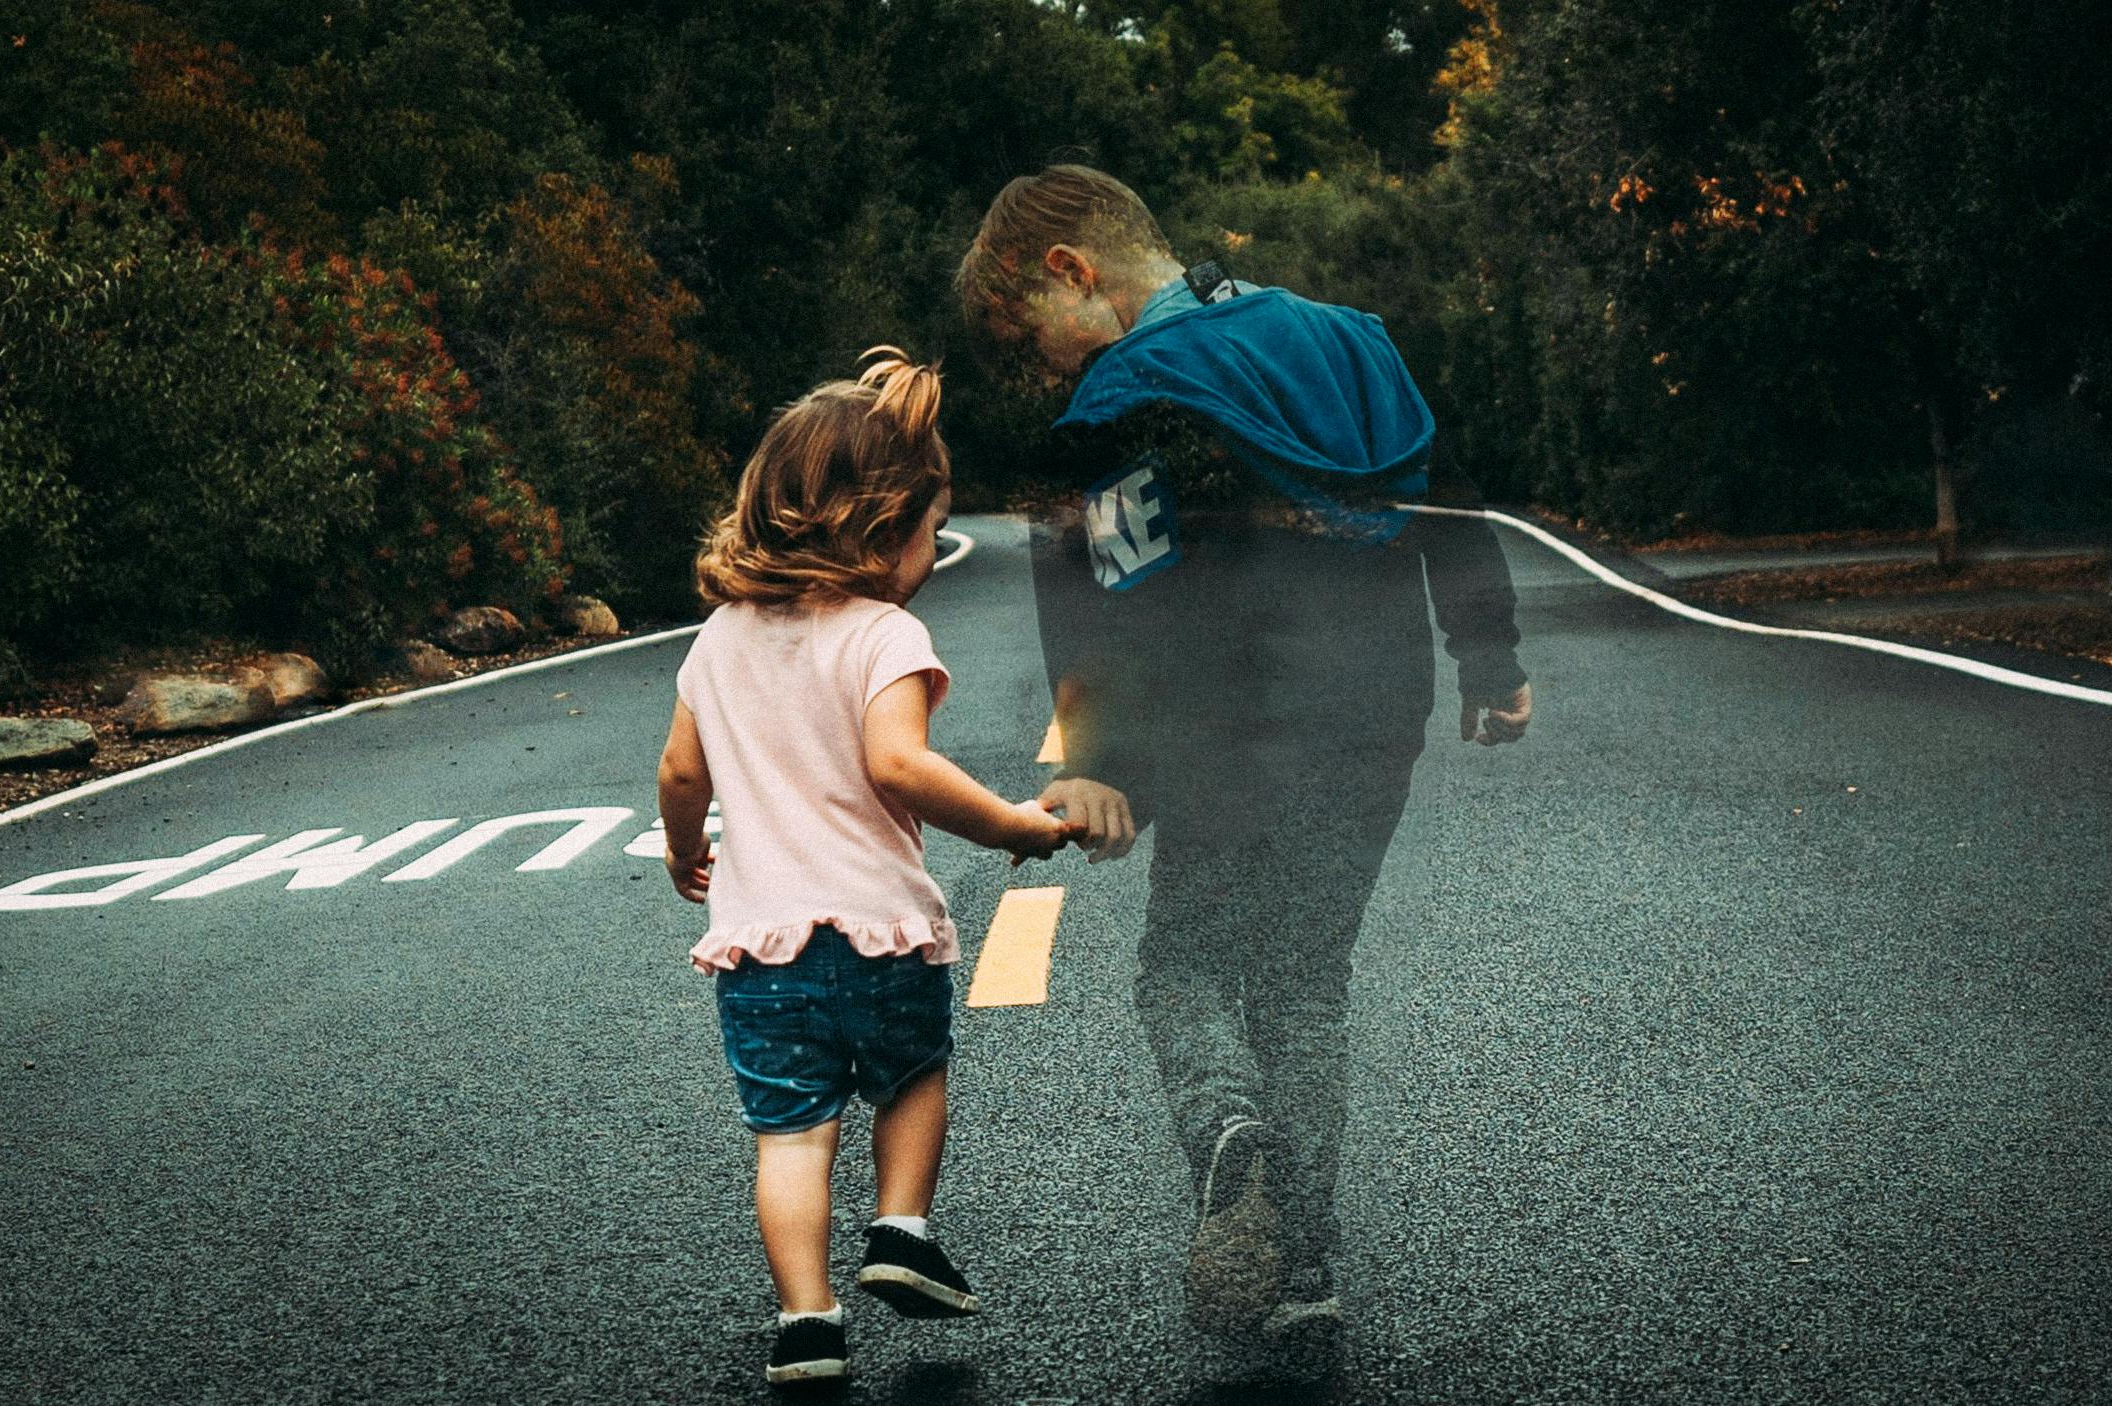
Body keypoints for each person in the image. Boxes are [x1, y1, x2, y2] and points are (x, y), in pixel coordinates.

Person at [956, 166, 1533, 1344]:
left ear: (1071, 270)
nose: (1046, 366)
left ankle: (1229, 1134)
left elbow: (1109, 589)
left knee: (1188, 965)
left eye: (1031, 336)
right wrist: (1490, 656)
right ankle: (1304, 1273)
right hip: (1377, 710)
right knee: (1308, 978)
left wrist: (1099, 757)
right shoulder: (1348, 341)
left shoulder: (1125, 394)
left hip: (1224, 728)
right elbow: (1450, 499)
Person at [656, 347, 1083, 1388]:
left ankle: (806, 1316)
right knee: (912, 1071)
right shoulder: (884, 632)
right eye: (933, 534)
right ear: (883, 528)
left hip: (760, 947)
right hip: (881, 930)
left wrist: (685, 850)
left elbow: (678, 770)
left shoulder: (717, 639)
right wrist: (1013, 827)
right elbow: (899, 762)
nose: (936, 555)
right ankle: (900, 1224)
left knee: (792, 1133)